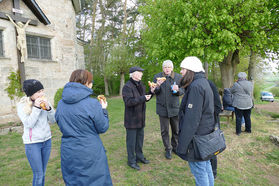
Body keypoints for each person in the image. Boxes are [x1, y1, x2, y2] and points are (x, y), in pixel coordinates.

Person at [55, 69, 112, 185]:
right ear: (86, 83)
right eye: (91, 82)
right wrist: (103, 110)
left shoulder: (61, 103)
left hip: (69, 150)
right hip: (89, 152)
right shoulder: (92, 104)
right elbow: (103, 127)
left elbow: (60, 122)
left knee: (74, 181)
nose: (92, 85)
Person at [177, 56, 215, 186]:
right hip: (204, 135)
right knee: (205, 166)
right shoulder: (203, 82)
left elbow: (191, 120)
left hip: (197, 138)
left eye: (183, 68)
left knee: (200, 171)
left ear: (190, 70)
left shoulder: (196, 86)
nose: (181, 71)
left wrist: (182, 145)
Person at [17, 79, 56, 186]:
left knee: (43, 173)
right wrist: (37, 108)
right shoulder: (22, 105)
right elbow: (29, 124)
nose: (42, 94)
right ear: (30, 93)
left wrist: (49, 109)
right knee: (38, 174)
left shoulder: (44, 101)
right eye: (38, 92)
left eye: (42, 90)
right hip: (33, 144)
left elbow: (53, 120)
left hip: (47, 141)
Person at [152, 60, 184, 159]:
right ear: (163, 68)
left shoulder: (178, 77)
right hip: (162, 108)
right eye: (165, 67)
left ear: (172, 68)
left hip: (174, 108)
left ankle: (175, 147)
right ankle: (168, 149)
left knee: (176, 130)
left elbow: (183, 90)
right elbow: (154, 92)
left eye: (169, 67)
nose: (167, 69)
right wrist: (157, 85)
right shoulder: (157, 77)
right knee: (164, 131)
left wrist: (178, 89)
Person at [122, 66, 152, 170]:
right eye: (139, 72)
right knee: (131, 142)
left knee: (139, 140)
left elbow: (144, 98)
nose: (141, 74)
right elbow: (129, 102)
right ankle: (131, 161)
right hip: (131, 119)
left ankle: (139, 157)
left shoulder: (141, 85)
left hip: (140, 118)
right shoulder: (127, 86)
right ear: (133, 74)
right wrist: (143, 98)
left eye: (141, 72)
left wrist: (151, 92)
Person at [208, 80, 222, 179]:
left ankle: (213, 171)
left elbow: (218, 106)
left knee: (212, 145)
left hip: (211, 120)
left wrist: (211, 118)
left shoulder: (209, 84)